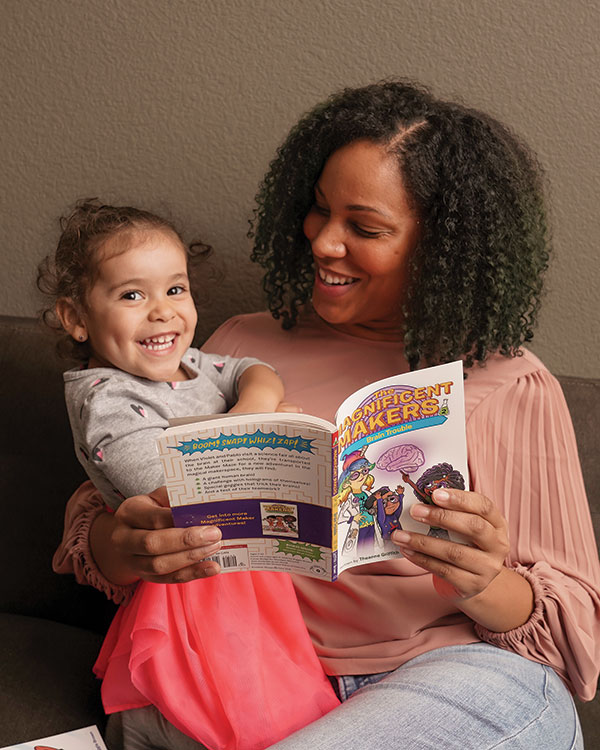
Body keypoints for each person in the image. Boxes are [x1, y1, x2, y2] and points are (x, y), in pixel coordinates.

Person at [53, 81, 600, 749]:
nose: (322, 242)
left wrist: (486, 581)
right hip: (257, 674)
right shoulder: (232, 347)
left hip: (451, 675)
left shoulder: (510, 381)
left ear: (441, 250)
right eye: (318, 212)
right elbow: (110, 494)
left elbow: (575, 634)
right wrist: (128, 550)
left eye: (363, 228)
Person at [39, 200, 339, 749]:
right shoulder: (106, 397)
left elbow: (256, 370)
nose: (161, 312)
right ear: (76, 318)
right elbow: (162, 482)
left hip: (248, 587)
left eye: (175, 289)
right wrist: (262, 438)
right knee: (182, 711)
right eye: (132, 294)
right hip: (184, 590)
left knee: (267, 703)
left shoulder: (198, 364)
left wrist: (254, 409)